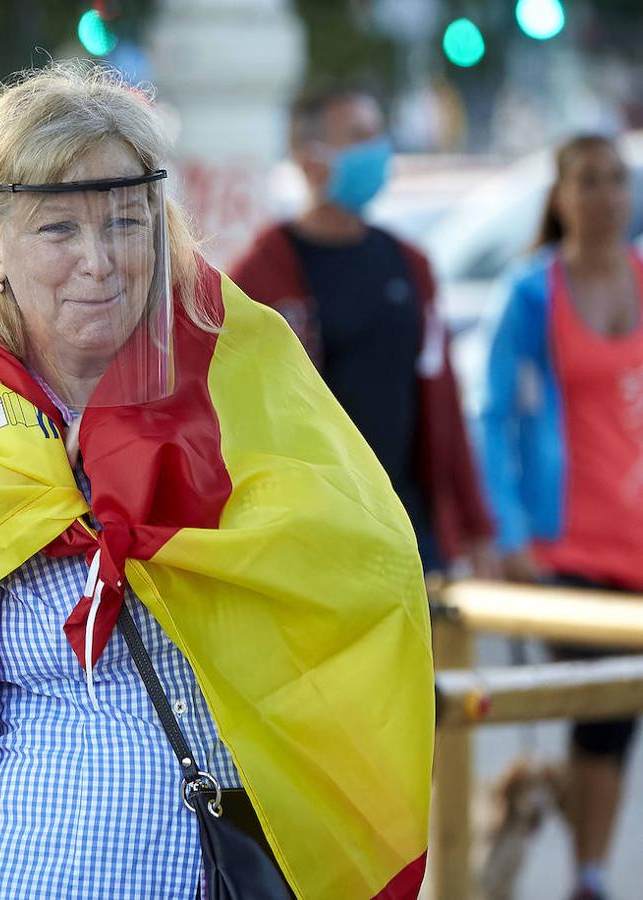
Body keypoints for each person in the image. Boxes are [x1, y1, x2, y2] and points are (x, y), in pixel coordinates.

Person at [0, 64, 435, 899]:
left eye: (124, 221)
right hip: (20, 875)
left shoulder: (242, 383)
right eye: (57, 229)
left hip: (217, 871)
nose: (99, 262)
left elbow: (370, 583)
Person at [229, 86, 495, 578]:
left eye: (378, 133)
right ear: (309, 161)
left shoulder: (410, 266)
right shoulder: (261, 277)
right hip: (314, 538)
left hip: (409, 533)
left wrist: (475, 529)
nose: (377, 150)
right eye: (358, 136)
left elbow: (442, 403)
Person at [478, 134, 643, 900]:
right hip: (565, 543)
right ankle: (589, 876)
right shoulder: (532, 294)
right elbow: (496, 417)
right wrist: (508, 532)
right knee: (597, 711)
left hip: (637, 535)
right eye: (589, 181)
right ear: (561, 196)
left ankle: (587, 868)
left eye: (618, 180)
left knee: (618, 720)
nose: (606, 195)